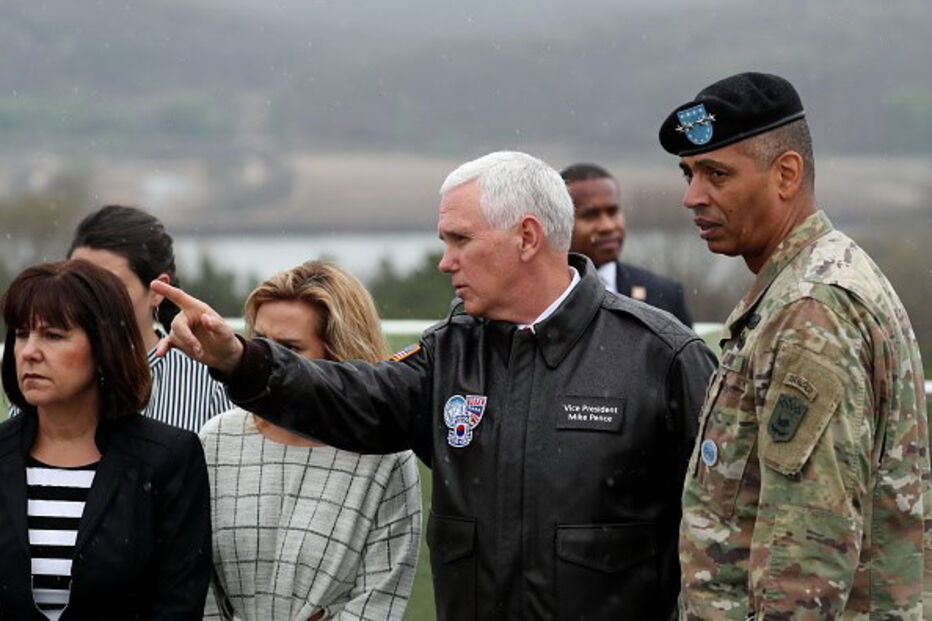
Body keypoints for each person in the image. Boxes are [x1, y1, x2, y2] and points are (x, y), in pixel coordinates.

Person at [153, 151, 716, 620]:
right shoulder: (451, 352)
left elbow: (723, 533)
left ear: (526, 237)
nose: (445, 262)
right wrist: (240, 359)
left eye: (460, 240)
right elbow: (354, 398)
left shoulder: (659, 357)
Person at [659, 72, 930, 618]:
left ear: (785, 174)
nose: (692, 197)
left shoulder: (812, 308)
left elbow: (807, 556)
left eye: (717, 174)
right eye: (688, 173)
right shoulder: (802, 284)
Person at [200, 260, 421, 620]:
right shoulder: (217, 442)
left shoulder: (385, 455)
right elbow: (196, 586)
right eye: (259, 343)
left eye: (288, 349)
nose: (267, 360)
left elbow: (380, 597)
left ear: (338, 355)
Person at [0, 259, 211, 619]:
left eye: (53, 335)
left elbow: (178, 603)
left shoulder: (168, 458)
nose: (29, 351)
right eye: (21, 334)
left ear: (104, 346)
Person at [68, 205, 233, 431]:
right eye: (76, 284)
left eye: (110, 286)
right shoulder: (46, 372)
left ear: (157, 291)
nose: (88, 300)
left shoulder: (207, 383)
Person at [560, 162, 693, 326]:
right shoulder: (541, 299)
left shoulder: (664, 294)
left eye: (613, 212)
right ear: (561, 223)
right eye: (590, 215)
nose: (608, 226)